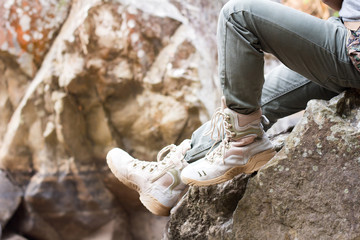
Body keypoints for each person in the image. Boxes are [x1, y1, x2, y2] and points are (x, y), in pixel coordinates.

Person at [106, 0, 360, 216]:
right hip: (344, 36)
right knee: (255, 100)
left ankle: (245, 144)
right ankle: (166, 180)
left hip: (353, 47)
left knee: (237, 15)